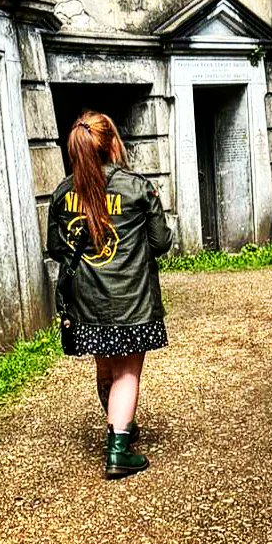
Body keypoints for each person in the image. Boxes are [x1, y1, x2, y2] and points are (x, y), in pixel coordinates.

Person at [47, 110, 174, 479]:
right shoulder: (138, 188)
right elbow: (161, 242)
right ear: (112, 143)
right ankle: (118, 448)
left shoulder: (62, 193)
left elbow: (58, 248)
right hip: (131, 301)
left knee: (106, 367)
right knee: (127, 374)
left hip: (87, 303)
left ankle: (120, 420)